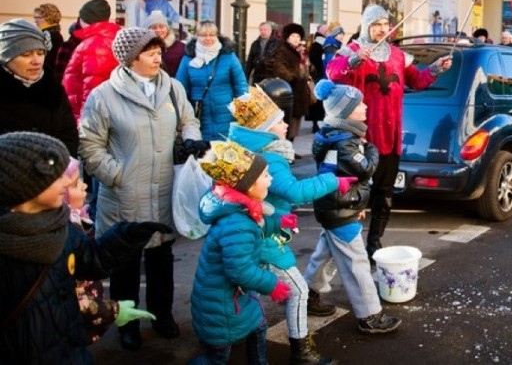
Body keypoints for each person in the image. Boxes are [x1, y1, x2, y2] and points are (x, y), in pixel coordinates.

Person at [78, 27, 203, 351]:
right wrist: (117, 176)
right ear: (130, 59)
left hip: (163, 191)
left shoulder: (173, 88)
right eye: (150, 52)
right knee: (125, 265)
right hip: (123, 195)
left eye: (158, 50)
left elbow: (188, 119)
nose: (158, 56)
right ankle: (127, 323)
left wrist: (190, 137)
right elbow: (90, 147)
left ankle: (162, 315)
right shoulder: (104, 95)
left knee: (162, 260)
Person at [0, 131, 171, 364]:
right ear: (24, 184)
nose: (66, 183)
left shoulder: (61, 226)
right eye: (55, 176)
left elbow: (91, 259)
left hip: (70, 348)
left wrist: (126, 236)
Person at [326, 4, 452, 262]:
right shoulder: (352, 50)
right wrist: (354, 60)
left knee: (384, 195)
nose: (382, 29)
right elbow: (332, 73)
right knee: (355, 195)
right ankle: (349, 245)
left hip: (390, 137)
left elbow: (417, 80)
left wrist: (436, 68)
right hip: (360, 137)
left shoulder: (397, 55)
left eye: (385, 24)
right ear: (366, 26)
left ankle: (375, 243)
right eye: (376, 25)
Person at [228, 86, 340, 364]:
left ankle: (251, 351)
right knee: (298, 291)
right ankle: (301, 354)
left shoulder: (247, 149)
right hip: (264, 237)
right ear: (265, 130)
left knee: (248, 295)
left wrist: (281, 218)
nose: (285, 123)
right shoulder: (270, 157)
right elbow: (295, 192)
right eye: (278, 121)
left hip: (256, 229)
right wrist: (334, 181)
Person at [306, 79, 401, 334]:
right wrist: (372, 149)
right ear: (346, 111)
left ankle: (307, 296)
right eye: (359, 104)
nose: (365, 106)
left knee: (324, 254)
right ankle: (369, 314)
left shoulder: (334, 135)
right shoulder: (345, 141)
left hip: (335, 206)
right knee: (356, 263)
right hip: (339, 209)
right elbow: (365, 168)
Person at [190, 140, 291, 365]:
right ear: (247, 185)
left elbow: (255, 227)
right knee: (217, 358)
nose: (271, 179)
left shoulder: (239, 208)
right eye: (265, 176)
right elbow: (240, 269)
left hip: (230, 298)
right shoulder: (238, 222)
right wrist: (271, 283)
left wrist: (277, 222)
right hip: (222, 306)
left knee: (258, 325)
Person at [62, 157, 156, 345]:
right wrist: (114, 311)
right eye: (74, 184)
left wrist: (126, 235)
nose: (84, 187)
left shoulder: (73, 223)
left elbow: (90, 256)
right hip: (63, 333)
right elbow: (72, 297)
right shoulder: (60, 235)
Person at [0, 19, 79, 155]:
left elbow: (69, 134)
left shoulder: (53, 89)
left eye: (41, 53)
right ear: (6, 57)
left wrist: (56, 164)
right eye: (26, 54)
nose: (36, 61)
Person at [176, 21, 248, 141]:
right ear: (197, 36)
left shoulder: (228, 56)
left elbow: (240, 85)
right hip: (200, 116)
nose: (208, 38)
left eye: (212, 34)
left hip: (227, 114)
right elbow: (180, 88)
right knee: (204, 154)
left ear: (217, 36)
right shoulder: (188, 59)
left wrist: (243, 111)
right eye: (203, 35)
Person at [62, 0, 121, 123]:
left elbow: (92, 87)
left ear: (86, 19)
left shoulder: (94, 44)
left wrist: (85, 122)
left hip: (88, 117)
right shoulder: (111, 38)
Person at [263, 22, 311, 142]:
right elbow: (280, 69)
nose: (296, 39)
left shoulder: (300, 51)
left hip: (299, 92)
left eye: (298, 37)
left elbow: (308, 69)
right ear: (287, 37)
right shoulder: (283, 50)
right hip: (288, 91)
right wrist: (297, 75)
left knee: (295, 124)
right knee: (287, 123)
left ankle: (290, 148)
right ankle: (286, 148)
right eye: (293, 36)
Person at [145, 10, 185, 77]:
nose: (158, 30)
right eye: (154, 27)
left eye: (161, 27)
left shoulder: (181, 47)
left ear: (167, 29)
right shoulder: (142, 48)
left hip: (173, 84)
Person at [34, 3, 64, 70]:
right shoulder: (55, 33)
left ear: (48, 17)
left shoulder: (48, 35)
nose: (35, 21)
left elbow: (47, 60)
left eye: (38, 18)